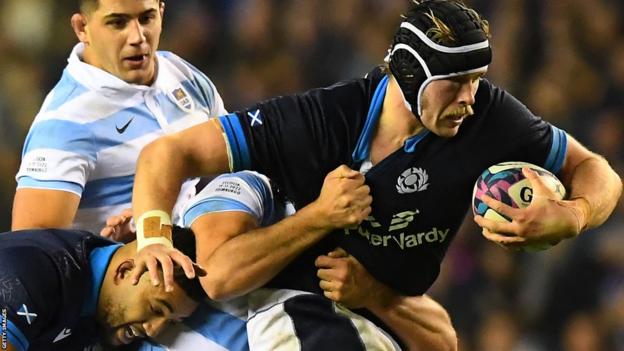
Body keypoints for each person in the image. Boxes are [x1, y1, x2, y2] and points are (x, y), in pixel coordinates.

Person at [131, 0, 621, 340]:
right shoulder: (320, 121)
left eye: (478, 81)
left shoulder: (488, 116)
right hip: (288, 293)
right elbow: (167, 155)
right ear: (410, 74)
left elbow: (597, 171)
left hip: (388, 305)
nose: (470, 100)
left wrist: (574, 214)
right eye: (455, 83)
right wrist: (152, 233)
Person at [105, 169, 458, 350]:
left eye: (160, 310)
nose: (154, 328)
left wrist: (376, 296)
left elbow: (444, 342)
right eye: (162, 313)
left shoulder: (340, 268)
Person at [11, 0, 226, 237]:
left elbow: (240, 160)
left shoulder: (184, 76)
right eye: (118, 23)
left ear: (161, 14)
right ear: (82, 27)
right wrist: (112, 254)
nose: (137, 37)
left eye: (146, 19)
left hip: (197, 256)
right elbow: (32, 255)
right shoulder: (64, 125)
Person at [0, 227, 203, 351]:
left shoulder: (107, 314)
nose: (154, 330)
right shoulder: (33, 272)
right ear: (124, 271)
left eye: (171, 322)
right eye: (156, 309)